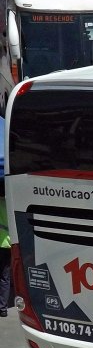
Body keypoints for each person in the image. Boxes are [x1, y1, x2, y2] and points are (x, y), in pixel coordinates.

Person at [0, 116, 9, 317]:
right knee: (5, 275)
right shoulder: (9, 200)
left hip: (4, 241)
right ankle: (1, 308)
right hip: (7, 243)